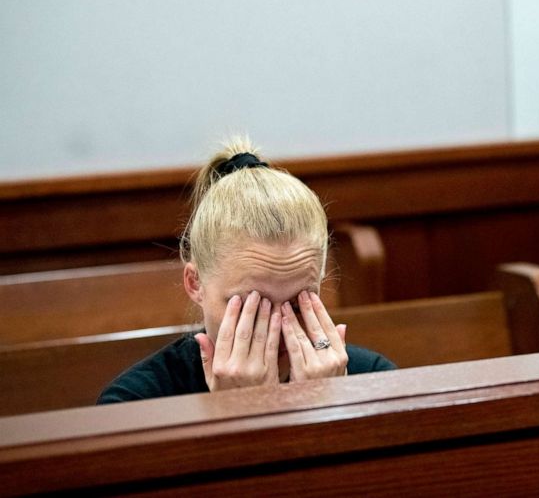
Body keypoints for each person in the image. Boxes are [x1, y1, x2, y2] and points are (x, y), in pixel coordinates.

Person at [99, 137, 395, 403]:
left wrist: (328, 409)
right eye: (252, 306)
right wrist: (235, 413)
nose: (277, 329)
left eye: (297, 304)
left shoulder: (373, 378)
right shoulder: (134, 402)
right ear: (195, 283)